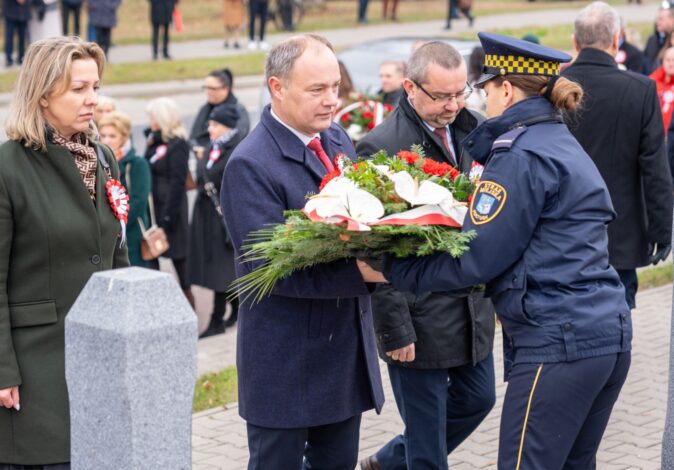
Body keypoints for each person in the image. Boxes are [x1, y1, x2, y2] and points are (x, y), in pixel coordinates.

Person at [369, 31, 632, 469]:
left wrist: (393, 270)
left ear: (506, 89)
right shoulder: (560, 141)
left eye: (484, 88)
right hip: (608, 332)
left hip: (557, 341)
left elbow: (475, 256)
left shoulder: (518, 154)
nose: (479, 100)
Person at [220, 34, 385, 469]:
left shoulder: (338, 142)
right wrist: (366, 273)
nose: (332, 100)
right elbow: (269, 269)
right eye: (317, 89)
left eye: (335, 87)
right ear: (277, 87)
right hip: (286, 363)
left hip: (341, 353)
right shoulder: (250, 164)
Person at [356, 41, 495, 470]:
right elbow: (373, 250)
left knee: (478, 399)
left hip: (470, 309)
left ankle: (387, 461)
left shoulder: (475, 128)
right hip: (417, 317)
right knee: (428, 446)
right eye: (442, 96)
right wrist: (395, 328)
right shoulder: (381, 147)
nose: (454, 105)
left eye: (461, 92)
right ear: (410, 88)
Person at [0, 36, 129, 468]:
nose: (93, 99)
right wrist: (1, 370)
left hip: (100, 358)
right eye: (79, 89)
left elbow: (116, 257)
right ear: (42, 94)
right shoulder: (8, 167)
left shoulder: (104, 157)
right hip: (35, 367)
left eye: (95, 87)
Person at [563, 1, 673, 310]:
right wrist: (662, 229)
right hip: (620, 235)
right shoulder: (641, 89)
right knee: (618, 319)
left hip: (565, 235)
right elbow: (654, 167)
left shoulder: (554, 89)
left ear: (575, 42)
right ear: (616, 40)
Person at [189, 103, 242, 338]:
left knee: (221, 268)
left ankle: (216, 318)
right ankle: (237, 308)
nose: (209, 128)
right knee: (218, 266)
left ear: (227, 127)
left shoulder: (234, 150)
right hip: (207, 216)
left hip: (223, 218)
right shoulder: (214, 147)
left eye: (214, 124)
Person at [144, 97, 193, 307]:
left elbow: (177, 182)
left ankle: (190, 311)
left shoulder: (178, 143)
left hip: (171, 211)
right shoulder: (155, 141)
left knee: (181, 265)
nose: (150, 122)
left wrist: (167, 218)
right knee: (152, 260)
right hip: (154, 210)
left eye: (153, 118)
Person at [99, 111, 152, 268]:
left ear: (124, 137)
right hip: (105, 235)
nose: (106, 140)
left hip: (131, 235)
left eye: (112, 136)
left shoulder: (136, 163)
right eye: (103, 135)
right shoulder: (98, 161)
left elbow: (139, 201)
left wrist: (116, 226)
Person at [189, 68, 250, 148]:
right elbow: (193, 137)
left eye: (212, 89)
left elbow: (240, 136)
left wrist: (210, 151)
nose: (208, 92)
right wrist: (196, 148)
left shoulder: (238, 109)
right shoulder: (205, 109)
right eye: (206, 88)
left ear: (225, 89)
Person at [650, 47, 674, 132]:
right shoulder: (652, 81)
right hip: (655, 132)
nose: (671, 63)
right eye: (668, 60)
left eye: (673, 60)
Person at [644, 6, 674, 72]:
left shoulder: (671, 40)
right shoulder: (652, 40)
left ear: (672, 20)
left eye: (661, 19)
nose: (657, 22)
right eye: (657, 19)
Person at [3, 0, 31, 67]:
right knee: (9, 36)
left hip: (23, 12)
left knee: (22, 37)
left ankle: (21, 57)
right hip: (10, 11)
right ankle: (8, 59)